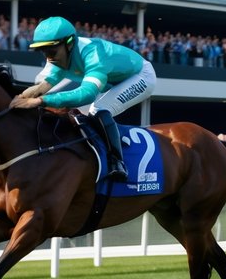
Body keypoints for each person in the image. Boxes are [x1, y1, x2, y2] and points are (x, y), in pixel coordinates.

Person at [9, 16, 156, 181]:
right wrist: (19, 98)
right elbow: (42, 87)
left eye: (51, 51)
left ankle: (117, 162)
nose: (48, 57)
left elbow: (87, 94)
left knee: (99, 109)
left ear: (69, 43)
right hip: (113, 81)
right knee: (78, 114)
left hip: (141, 76)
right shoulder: (62, 56)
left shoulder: (94, 54)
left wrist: (40, 101)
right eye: (43, 51)